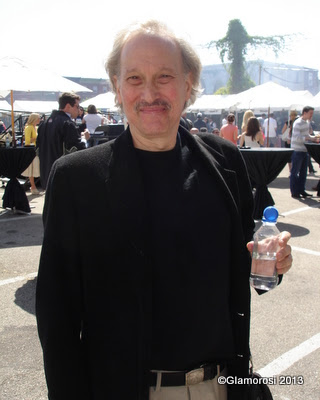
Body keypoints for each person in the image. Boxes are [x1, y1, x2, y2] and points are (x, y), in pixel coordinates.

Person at [36, 20, 293, 400]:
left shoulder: (225, 162)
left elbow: (248, 267)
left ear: (188, 83)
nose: (150, 92)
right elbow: (57, 318)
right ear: (117, 86)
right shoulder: (77, 179)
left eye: (165, 76)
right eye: (135, 78)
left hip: (221, 386)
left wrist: (274, 263)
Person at [36, 92, 88, 189]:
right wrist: (85, 140)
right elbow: (77, 151)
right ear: (68, 106)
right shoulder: (67, 124)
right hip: (63, 178)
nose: (79, 110)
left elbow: (38, 150)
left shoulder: (44, 124)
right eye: (77, 106)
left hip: (46, 175)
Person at [290, 106, 320, 198]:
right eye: (310, 113)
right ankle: (294, 192)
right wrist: (309, 138)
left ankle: (301, 190)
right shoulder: (298, 123)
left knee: (303, 173)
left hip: (304, 150)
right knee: (295, 172)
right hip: (297, 150)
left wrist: (313, 139)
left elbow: (306, 135)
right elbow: (297, 137)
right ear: (305, 113)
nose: (312, 115)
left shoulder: (306, 123)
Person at [21, 113, 41, 194]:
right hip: (31, 149)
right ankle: (33, 186)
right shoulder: (28, 127)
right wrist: (37, 137)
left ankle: (33, 186)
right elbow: (27, 141)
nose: (40, 120)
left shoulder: (35, 127)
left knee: (34, 168)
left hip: (36, 149)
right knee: (31, 168)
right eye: (38, 118)